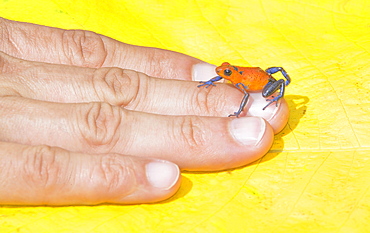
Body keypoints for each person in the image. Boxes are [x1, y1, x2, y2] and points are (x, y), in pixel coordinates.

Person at [0, 18, 289, 205]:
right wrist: (209, 82)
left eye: (223, 72)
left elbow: (242, 96)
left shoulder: (238, 80)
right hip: (248, 78)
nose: (220, 73)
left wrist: (243, 108)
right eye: (221, 72)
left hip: (259, 82)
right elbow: (226, 80)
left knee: (254, 88)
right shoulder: (229, 76)